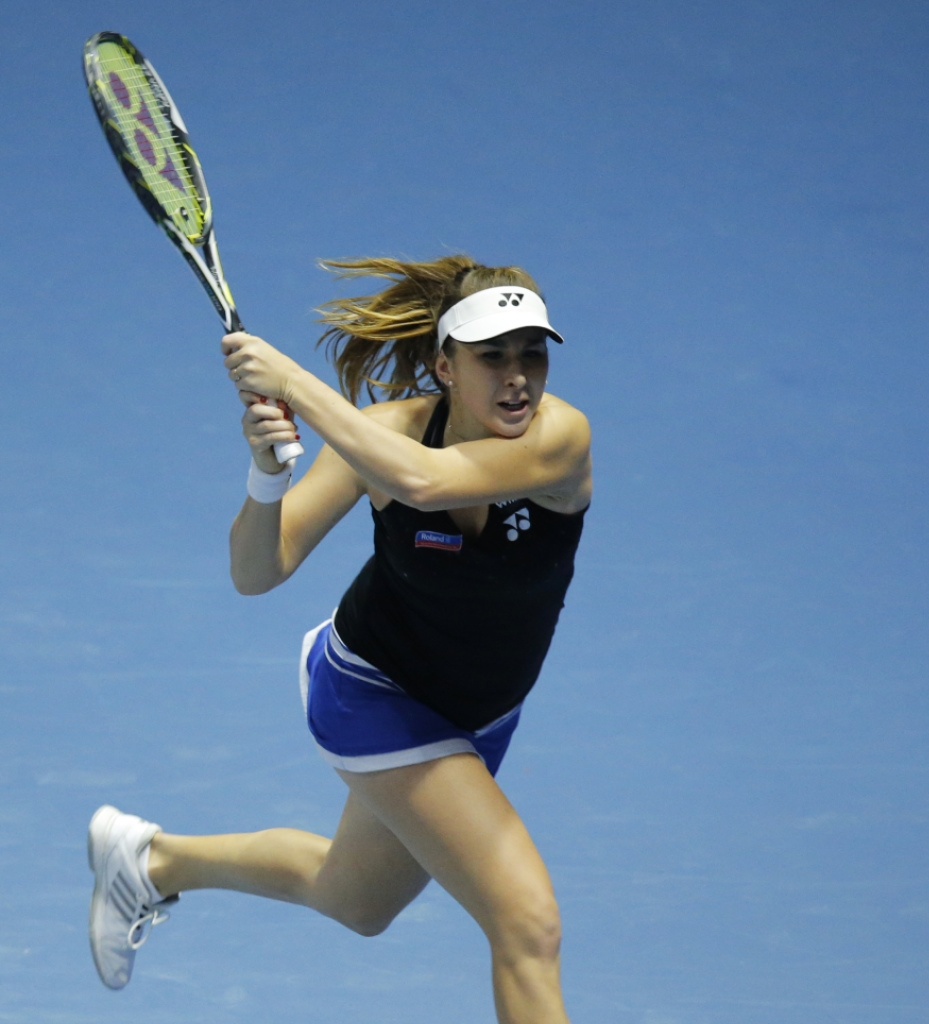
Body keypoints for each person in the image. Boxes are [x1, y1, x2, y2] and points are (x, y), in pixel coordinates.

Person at [86, 255, 591, 1024]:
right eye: (493, 356)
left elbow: (425, 481)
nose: (519, 377)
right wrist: (266, 478)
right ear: (445, 368)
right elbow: (258, 571)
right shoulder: (382, 436)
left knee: (355, 900)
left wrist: (292, 383)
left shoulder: (560, 440)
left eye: (533, 353)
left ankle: (150, 861)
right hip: (375, 693)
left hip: (481, 712)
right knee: (528, 923)